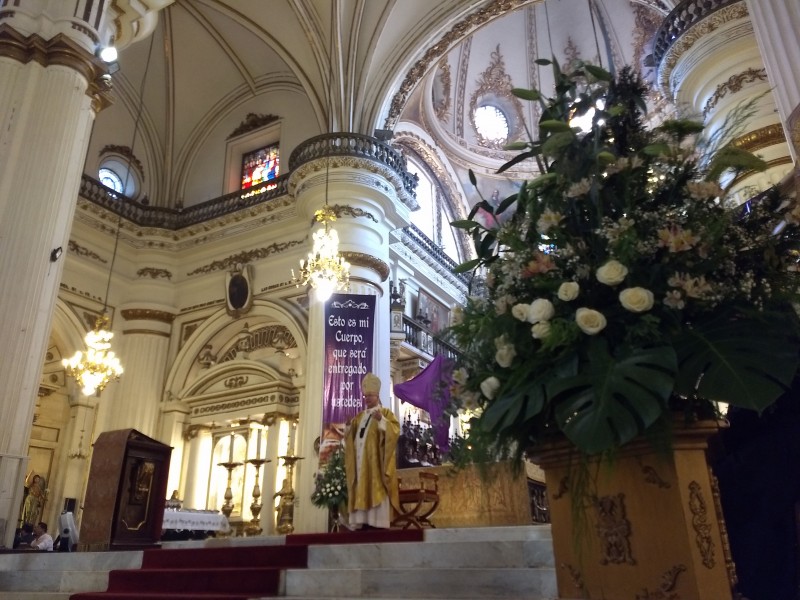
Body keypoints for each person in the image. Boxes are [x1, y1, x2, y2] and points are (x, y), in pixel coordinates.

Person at [343, 372, 400, 529]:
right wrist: (348, 425)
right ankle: (360, 520)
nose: (367, 399)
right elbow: (349, 437)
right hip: (360, 461)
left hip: (376, 462)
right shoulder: (359, 416)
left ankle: (378, 521)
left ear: (377, 395)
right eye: (366, 396)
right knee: (361, 484)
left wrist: (381, 420)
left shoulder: (385, 413)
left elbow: (395, 431)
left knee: (375, 485)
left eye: (371, 396)